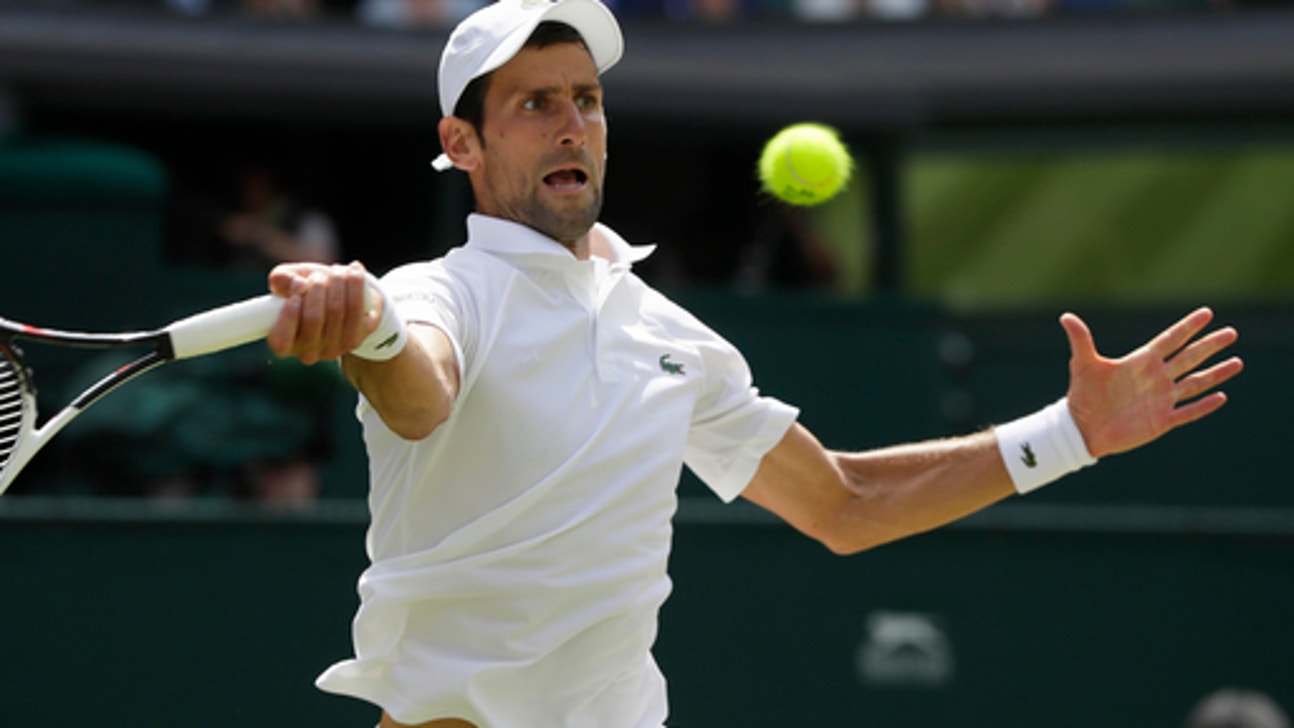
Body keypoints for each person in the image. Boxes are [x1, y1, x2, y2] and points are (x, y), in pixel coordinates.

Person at [259, 1, 1245, 725]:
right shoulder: (439, 293)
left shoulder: (674, 336)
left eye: (587, 100)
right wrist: (373, 331)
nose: (573, 125)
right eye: (534, 104)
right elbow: (421, 392)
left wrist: (1068, 434)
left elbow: (843, 503)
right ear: (459, 140)